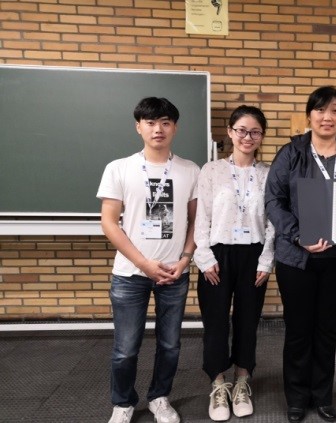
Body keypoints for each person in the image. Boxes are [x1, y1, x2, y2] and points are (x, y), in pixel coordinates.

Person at [265, 86, 336, 422]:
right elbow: (273, 201)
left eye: (335, 110)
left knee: (325, 330)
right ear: (309, 115)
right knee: (298, 329)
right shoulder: (290, 153)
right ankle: (296, 398)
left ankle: (322, 396)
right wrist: (298, 236)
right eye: (321, 110)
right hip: (297, 258)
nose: (327, 117)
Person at [97, 97, 200, 423]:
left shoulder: (190, 170)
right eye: (151, 122)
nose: (158, 129)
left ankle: (159, 397)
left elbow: (197, 221)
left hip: (174, 273)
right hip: (131, 274)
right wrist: (144, 264)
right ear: (138, 127)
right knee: (126, 348)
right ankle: (122, 403)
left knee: (170, 345)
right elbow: (109, 222)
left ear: (175, 128)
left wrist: (185, 259)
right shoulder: (119, 168)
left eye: (166, 122)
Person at [194, 105, 275, 421]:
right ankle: (218, 385)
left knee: (247, 321)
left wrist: (266, 259)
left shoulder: (268, 174)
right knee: (215, 323)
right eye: (241, 130)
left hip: (254, 255)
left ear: (261, 136)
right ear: (230, 132)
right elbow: (202, 216)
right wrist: (204, 257)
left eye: (255, 132)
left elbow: (273, 221)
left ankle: (242, 381)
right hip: (217, 255)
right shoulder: (211, 170)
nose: (247, 137)